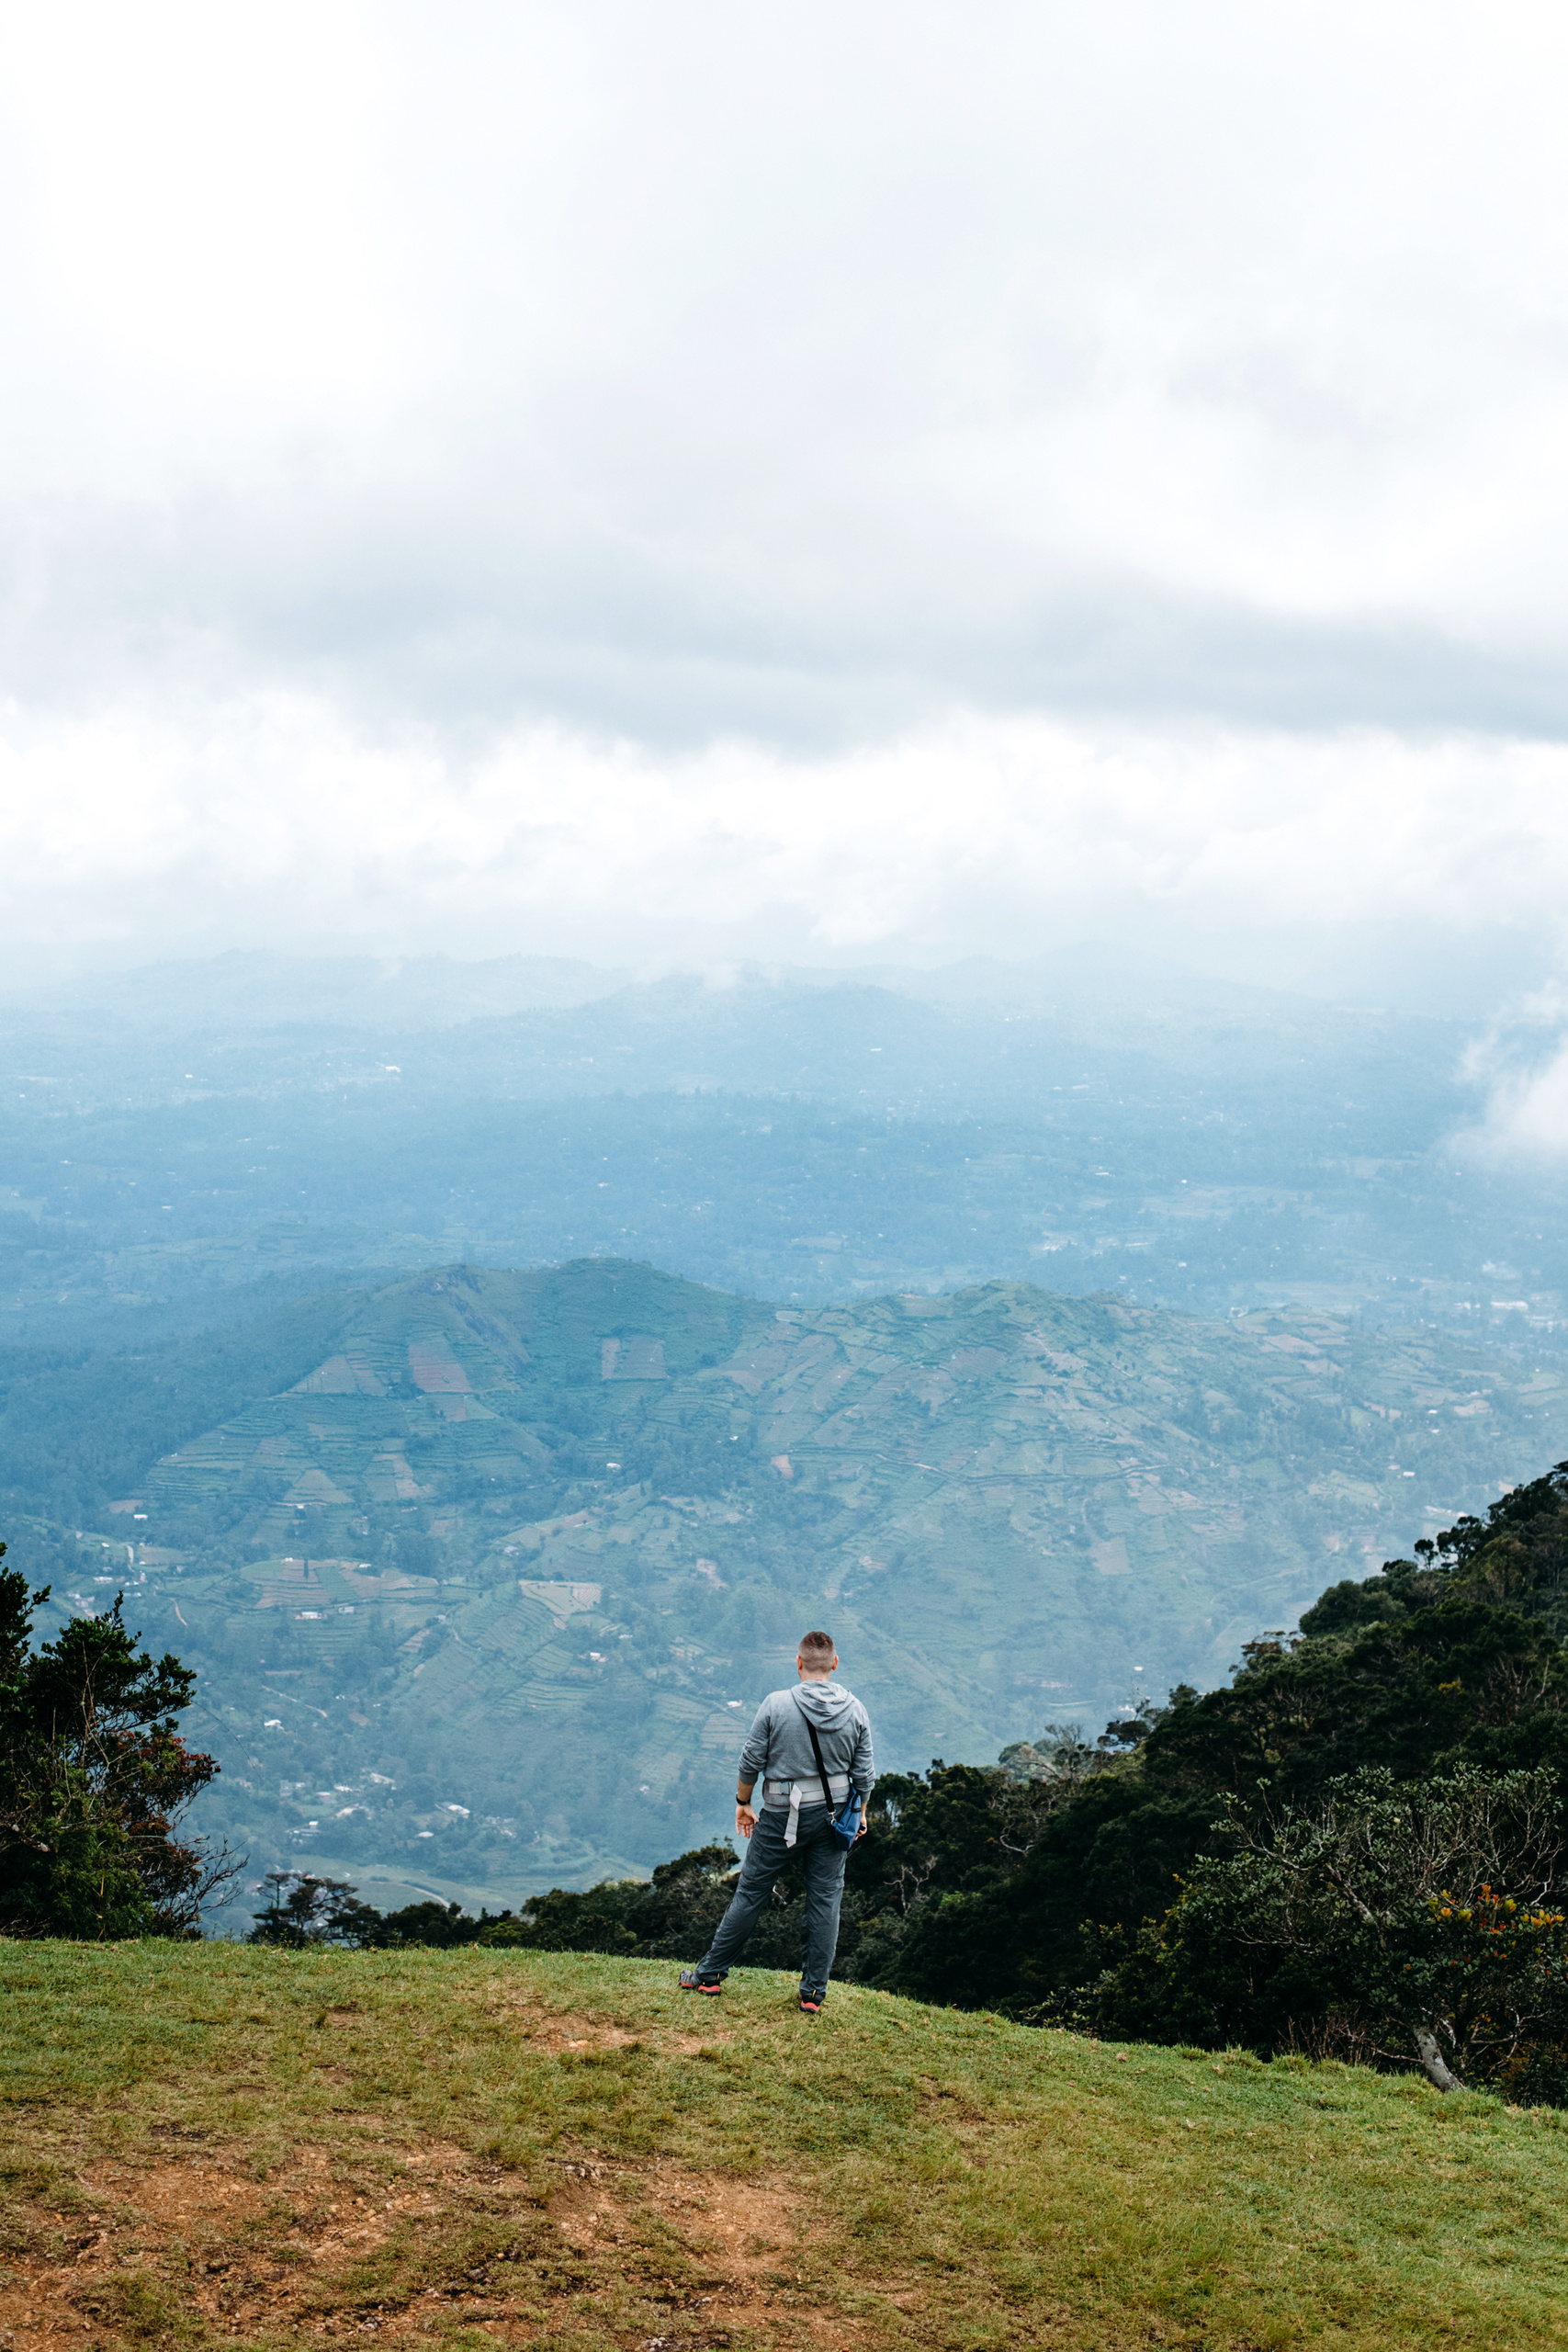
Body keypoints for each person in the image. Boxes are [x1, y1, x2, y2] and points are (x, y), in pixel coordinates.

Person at [678, 1629, 874, 2014]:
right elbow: (865, 1775)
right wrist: (861, 1813)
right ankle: (813, 1994)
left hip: (782, 1815)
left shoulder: (776, 1704)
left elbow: (750, 1761)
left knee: (751, 1893)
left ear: (798, 1662)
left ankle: (709, 1976)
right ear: (834, 1663)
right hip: (834, 1817)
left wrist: (742, 1802)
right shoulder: (856, 1708)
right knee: (825, 1900)